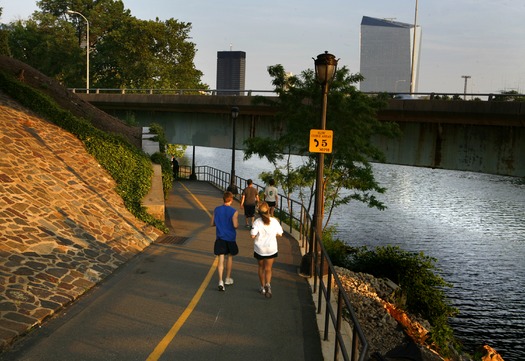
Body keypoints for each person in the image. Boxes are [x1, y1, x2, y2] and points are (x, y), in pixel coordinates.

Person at [250, 202, 283, 298]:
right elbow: (280, 233)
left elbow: (252, 235)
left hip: (260, 249)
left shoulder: (257, 222)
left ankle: (262, 287)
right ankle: (268, 284)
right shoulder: (274, 221)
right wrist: (273, 235)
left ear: (259, 212)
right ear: (268, 210)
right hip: (271, 249)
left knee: (261, 268)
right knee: (268, 269)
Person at [211, 191, 239, 291]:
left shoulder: (216, 210)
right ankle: (227, 278)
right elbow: (235, 225)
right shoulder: (234, 211)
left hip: (220, 237)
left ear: (223, 199)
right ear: (231, 200)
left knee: (221, 259)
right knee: (230, 257)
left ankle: (220, 281)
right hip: (230, 237)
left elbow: (212, 223)